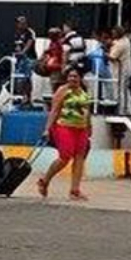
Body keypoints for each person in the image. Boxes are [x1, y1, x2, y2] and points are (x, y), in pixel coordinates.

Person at [37, 68, 93, 201]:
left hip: (81, 128)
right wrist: (47, 129)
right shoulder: (62, 90)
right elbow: (55, 110)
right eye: (70, 76)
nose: (72, 79)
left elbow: (87, 110)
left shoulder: (83, 91)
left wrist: (89, 126)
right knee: (65, 157)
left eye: (75, 76)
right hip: (64, 126)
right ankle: (45, 180)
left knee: (80, 157)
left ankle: (75, 190)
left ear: (80, 78)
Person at [108, 26, 131, 115]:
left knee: (120, 90)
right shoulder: (126, 41)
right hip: (127, 68)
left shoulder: (120, 45)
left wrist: (104, 52)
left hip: (120, 69)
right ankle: (129, 110)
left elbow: (112, 57)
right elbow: (115, 42)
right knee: (126, 90)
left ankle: (121, 110)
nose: (112, 35)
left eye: (114, 33)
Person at [13, 16, 37, 101]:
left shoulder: (30, 32)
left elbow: (29, 43)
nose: (21, 24)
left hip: (29, 58)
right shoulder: (17, 33)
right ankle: (20, 97)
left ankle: (28, 97)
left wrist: (23, 52)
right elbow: (16, 45)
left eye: (23, 23)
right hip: (19, 59)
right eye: (19, 23)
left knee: (27, 77)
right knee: (18, 78)